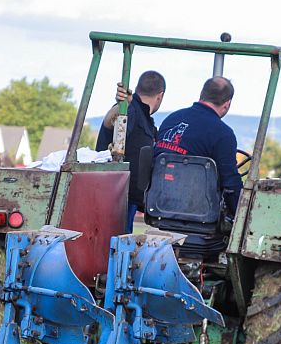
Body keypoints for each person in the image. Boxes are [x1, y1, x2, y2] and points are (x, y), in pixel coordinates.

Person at [155, 76, 242, 213]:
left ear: (202, 95)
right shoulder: (223, 134)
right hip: (197, 212)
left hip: (158, 204)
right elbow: (230, 184)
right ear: (227, 104)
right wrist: (241, 213)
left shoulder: (172, 119)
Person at [96, 71, 166, 233]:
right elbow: (110, 122)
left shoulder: (146, 120)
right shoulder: (130, 109)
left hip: (127, 198)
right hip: (117, 197)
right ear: (160, 96)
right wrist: (122, 106)